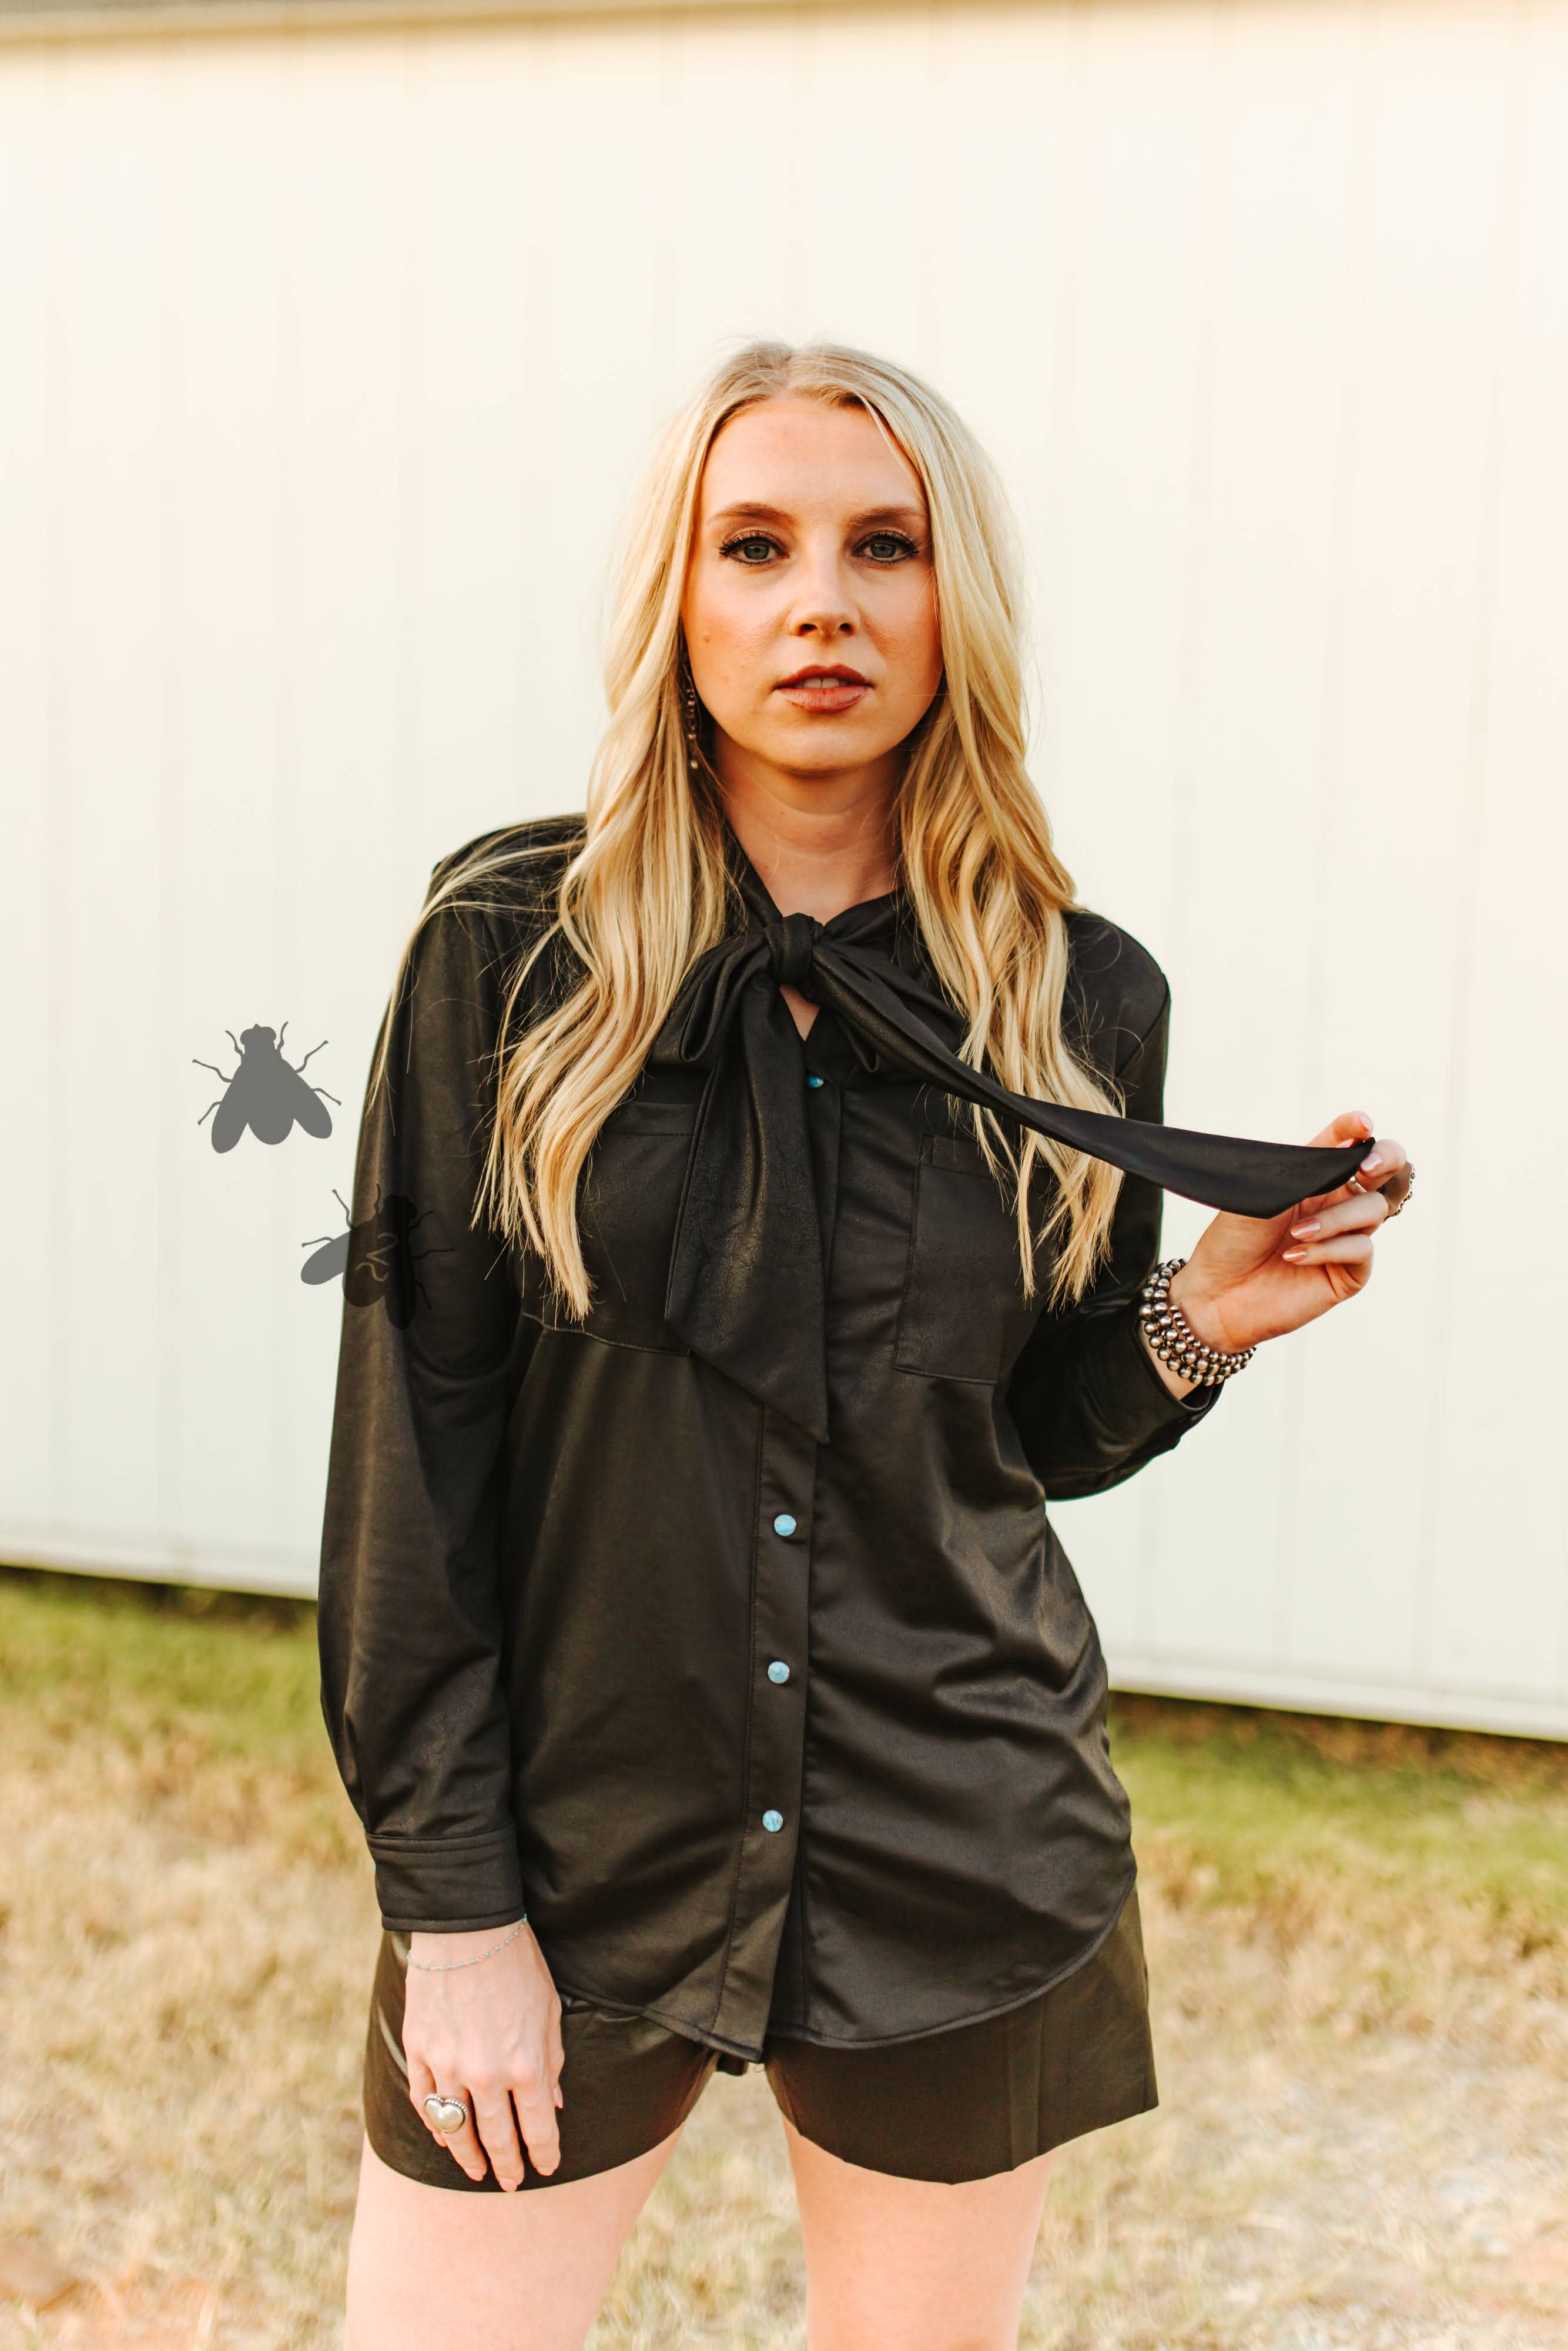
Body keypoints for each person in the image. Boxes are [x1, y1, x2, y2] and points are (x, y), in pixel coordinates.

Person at [317, 341, 1413, 2351]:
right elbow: (414, 1449)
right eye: (756, 544)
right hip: (574, 1831)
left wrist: (1201, 1320)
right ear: (683, 602)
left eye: (881, 546)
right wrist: (453, 1906)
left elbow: (1017, 1441)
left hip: (952, 1823)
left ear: (952, 602)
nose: (819, 600)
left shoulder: (1079, 999)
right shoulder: (505, 951)